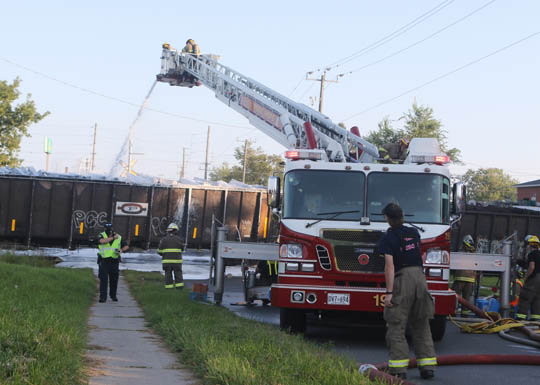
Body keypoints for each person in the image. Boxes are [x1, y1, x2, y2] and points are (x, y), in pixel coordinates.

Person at [377, 203, 437, 380]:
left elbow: (389, 266)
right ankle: (427, 368)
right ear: (402, 216)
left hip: (403, 280)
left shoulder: (388, 237)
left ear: (387, 218)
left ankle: (398, 369)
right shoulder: (414, 233)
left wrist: (389, 294)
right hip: (420, 278)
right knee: (421, 323)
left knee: (396, 324)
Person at [97, 222, 129, 303]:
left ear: (112, 229)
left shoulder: (119, 237)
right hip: (104, 261)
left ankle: (113, 296)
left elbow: (126, 246)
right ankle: (103, 297)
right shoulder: (101, 235)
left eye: (110, 230)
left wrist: (121, 250)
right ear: (104, 229)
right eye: (107, 230)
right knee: (103, 280)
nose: (109, 231)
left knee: (114, 280)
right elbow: (102, 241)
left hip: (114, 261)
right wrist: (113, 238)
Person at [515, 236, 540, 321]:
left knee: (525, 297)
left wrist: (525, 277)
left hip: (534, 279)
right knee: (537, 298)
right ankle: (535, 319)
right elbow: (528, 264)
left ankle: (520, 318)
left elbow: (531, 267)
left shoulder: (531, 254)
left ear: (530, 245)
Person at [452, 235, 477, 316]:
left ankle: (454, 312)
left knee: (456, 297)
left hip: (460, 278)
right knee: (465, 299)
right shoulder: (473, 253)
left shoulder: (460, 252)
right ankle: (464, 314)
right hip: (469, 279)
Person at [158, 223, 184, 289]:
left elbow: (159, 251)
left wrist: (164, 254)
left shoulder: (163, 239)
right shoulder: (180, 239)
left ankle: (169, 288)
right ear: (176, 231)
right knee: (178, 275)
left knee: (168, 275)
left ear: (168, 231)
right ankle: (179, 289)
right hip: (177, 262)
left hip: (167, 262)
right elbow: (182, 249)